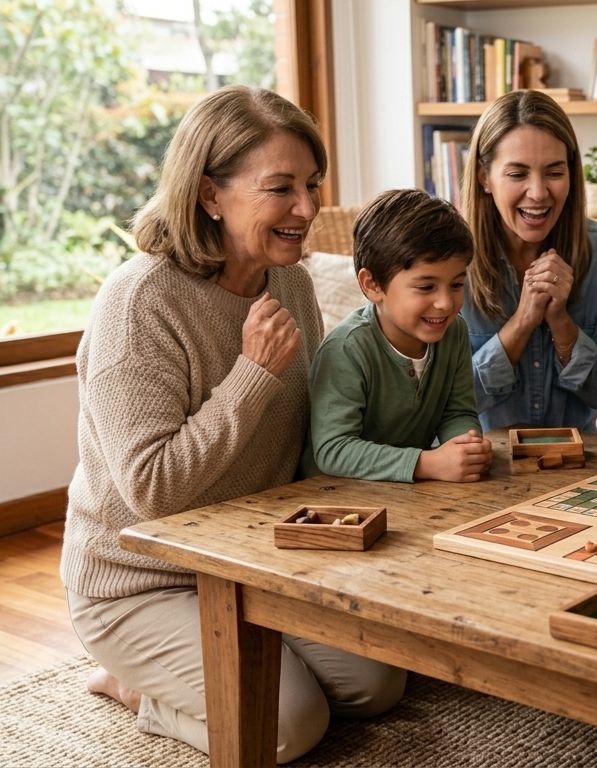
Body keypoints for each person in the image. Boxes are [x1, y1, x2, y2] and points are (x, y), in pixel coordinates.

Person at [61, 86, 405, 763]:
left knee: (376, 683)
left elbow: (310, 436)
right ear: (210, 195)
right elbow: (152, 493)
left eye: (311, 184)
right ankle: (136, 690)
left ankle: (217, 671)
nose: (307, 209)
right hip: (139, 580)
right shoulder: (138, 304)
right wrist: (251, 375)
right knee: (285, 724)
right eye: (281, 188)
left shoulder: (292, 284)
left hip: (250, 562)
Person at [459, 90, 597, 433]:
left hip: (579, 463)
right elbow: (449, 403)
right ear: (483, 177)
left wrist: (561, 323)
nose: (538, 192)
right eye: (518, 174)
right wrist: (522, 322)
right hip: (479, 466)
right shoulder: (450, 258)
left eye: (554, 172)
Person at [300, 189, 491, 482]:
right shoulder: (347, 348)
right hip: (335, 500)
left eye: (455, 284)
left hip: (409, 496)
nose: (445, 303)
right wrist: (427, 464)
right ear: (372, 284)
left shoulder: (454, 333)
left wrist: (466, 446)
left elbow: (458, 412)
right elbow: (333, 449)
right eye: (426, 287)